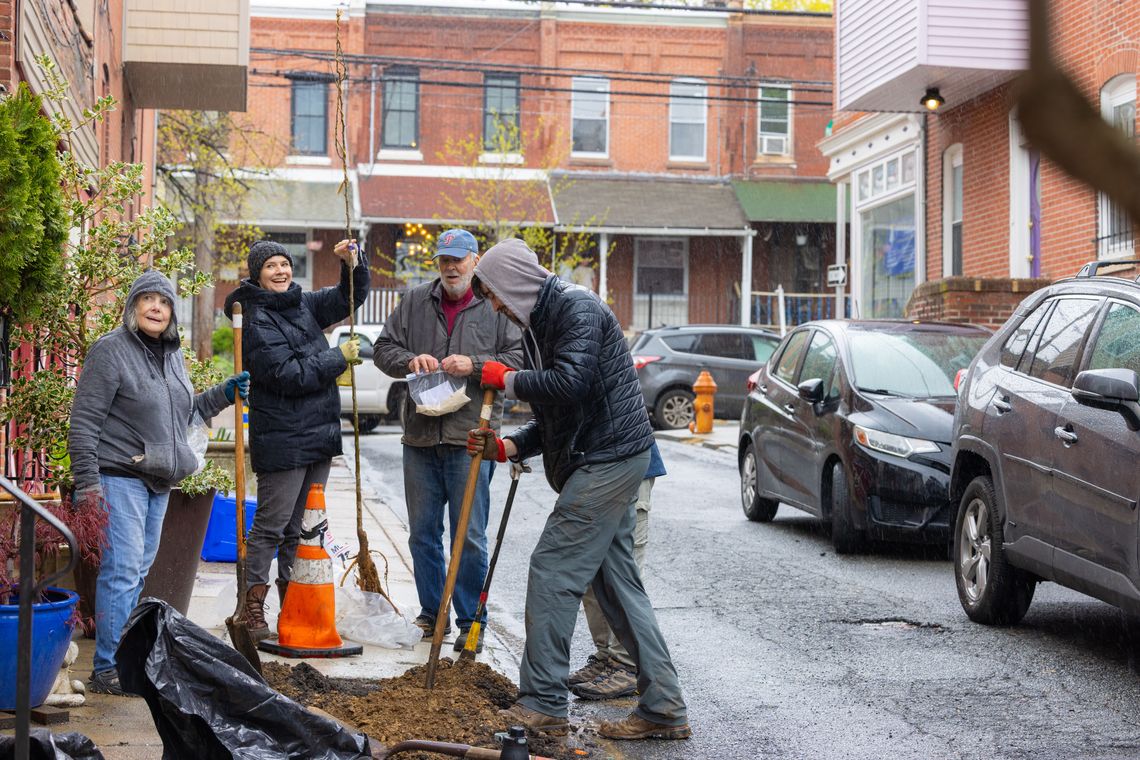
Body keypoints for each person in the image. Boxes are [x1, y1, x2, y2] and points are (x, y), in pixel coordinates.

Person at [466, 238, 690, 741]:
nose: (496, 305)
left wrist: (507, 379)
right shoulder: (537, 326)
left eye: (497, 294)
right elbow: (556, 415)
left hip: (610, 458)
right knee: (616, 586)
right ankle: (664, 707)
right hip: (598, 457)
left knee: (552, 569)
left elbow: (571, 384)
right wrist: (508, 447)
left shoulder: (576, 308)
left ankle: (543, 701)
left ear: (515, 283)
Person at [69, 269, 249, 696]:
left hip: (159, 482)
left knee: (137, 572)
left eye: (164, 302)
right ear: (133, 307)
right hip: (119, 476)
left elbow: (184, 414)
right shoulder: (111, 352)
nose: (156, 307)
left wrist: (224, 392)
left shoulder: (172, 355)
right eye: (148, 299)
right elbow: (83, 423)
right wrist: (89, 485)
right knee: (122, 571)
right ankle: (108, 668)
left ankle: (125, 658)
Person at [372, 228, 522, 652]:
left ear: (475, 260)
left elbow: (518, 360)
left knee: (469, 536)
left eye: (458, 259)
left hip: (471, 439)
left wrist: (473, 364)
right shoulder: (416, 301)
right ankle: (430, 613)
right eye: (444, 260)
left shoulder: (494, 305)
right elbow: (383, 348)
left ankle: (471, 622)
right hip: (419, 437)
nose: (451, 267)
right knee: (422, 534)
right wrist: (408, 360)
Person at [222, 237, 368, 639]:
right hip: (283, 439)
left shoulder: (302, 303)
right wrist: (339, 357)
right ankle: (250, 610)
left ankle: (293, 603)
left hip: (319, 434)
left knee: (302, 528)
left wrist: (351, 263)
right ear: (257, 274)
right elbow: (289, 374)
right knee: (271, 526)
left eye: (285, 263)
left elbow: (347, 298)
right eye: (271, 266)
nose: (281, 271)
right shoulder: (254, 320)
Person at [568, 441, 665, 701]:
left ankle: (626, 664)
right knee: (592, 575)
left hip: (628, 468)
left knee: (623, 577)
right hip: (593, 471)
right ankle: (606, 657)